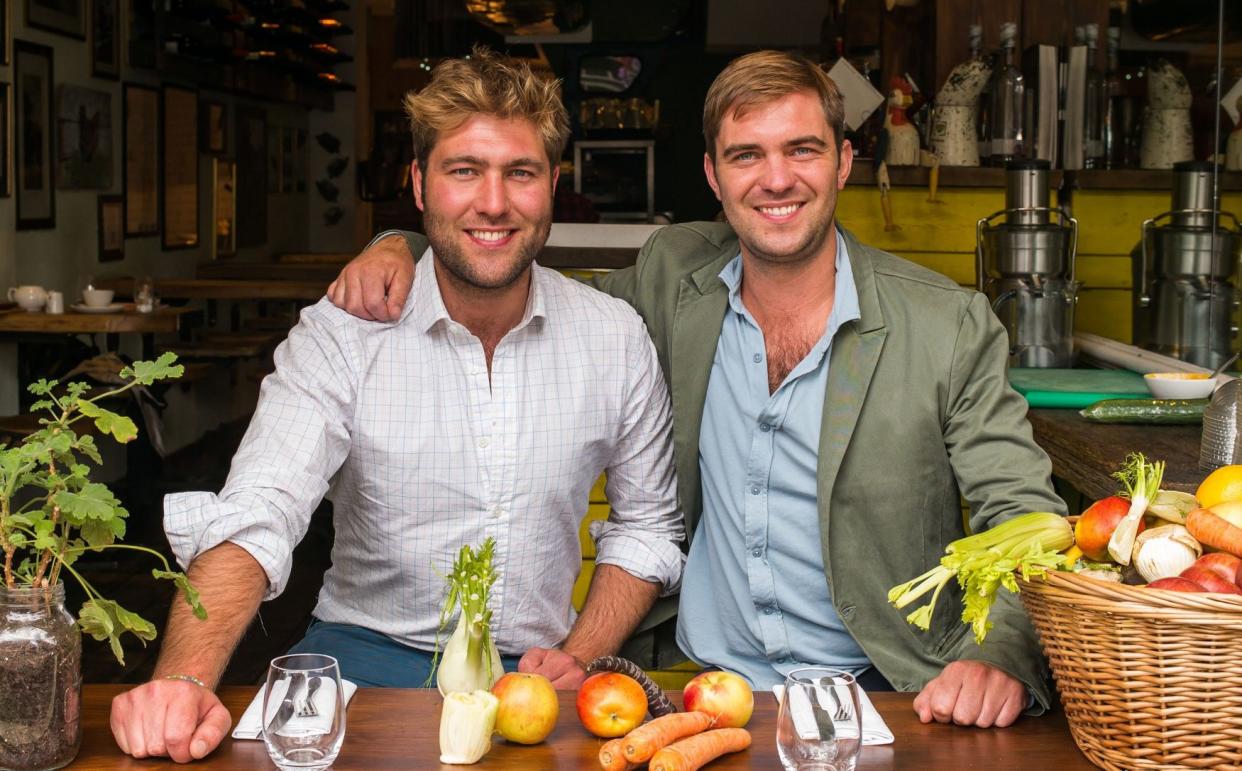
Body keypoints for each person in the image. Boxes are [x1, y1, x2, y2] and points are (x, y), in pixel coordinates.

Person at [328, 50, 1068, 730]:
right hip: (688, 685)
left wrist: (1001, 657)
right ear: (714, 176)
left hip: (892, 687)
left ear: (843, 162)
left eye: (801, 150)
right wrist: (408, 243)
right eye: (747, 155)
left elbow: (1025, 513)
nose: (776, 180)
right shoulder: (670, 279)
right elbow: (509, 278)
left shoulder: (947, 324)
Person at [108, 49, 684, 763]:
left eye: (521, 172)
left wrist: (580, 652)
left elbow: (647, 526)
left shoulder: (613, 336)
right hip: (361, 655)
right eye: (464, 170)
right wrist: (184, 679)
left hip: (536, 670)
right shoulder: (344, 333)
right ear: (418, 183)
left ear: (553, 184)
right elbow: (259, 508)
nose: (494, 202)